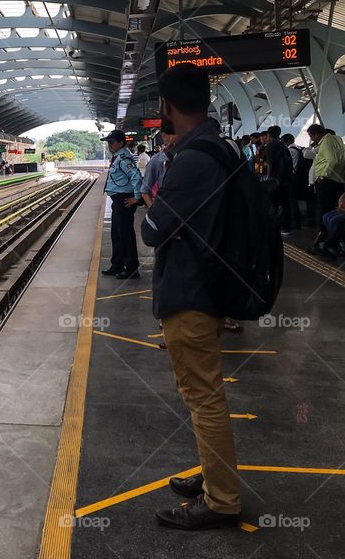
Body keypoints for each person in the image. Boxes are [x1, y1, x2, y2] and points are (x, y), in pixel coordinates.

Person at [141, 64, 241, 530]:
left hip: (191, 292)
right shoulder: (216, 146)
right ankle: (213, 475)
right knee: (203, 394)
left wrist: (160, 214)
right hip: (209, 286)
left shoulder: (193, 159)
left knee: (203, 398)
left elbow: (151, 229)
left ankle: (221, 501)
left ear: (167, 106)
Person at [101, 128, 143, 280]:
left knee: (126, 235)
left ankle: (132, 269)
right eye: (108, 143)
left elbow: (136, 177)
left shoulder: (124, 159)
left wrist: (136, 198)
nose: (109, 145)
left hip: (124, 201)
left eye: (112, 142)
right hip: (118, 201)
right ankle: (117, 264)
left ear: (120, 143)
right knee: (117, 234)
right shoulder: (117, 157)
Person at [305, 124, 345, 253]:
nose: (311, 139)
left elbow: (333, 160)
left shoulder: (326, 142)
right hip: (337, 181)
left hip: (327, 182)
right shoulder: (337, 139)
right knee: (329, 211)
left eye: (311, 136)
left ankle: (324, 243)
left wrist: (322, 175)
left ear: (317, 134)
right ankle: (331, 241)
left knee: (323, 211)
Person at [262, 126, 294, 233]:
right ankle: (286, 227)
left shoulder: (269, 146)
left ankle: (274, 225)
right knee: (285, 202)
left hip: (275, 179)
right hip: (285, 178)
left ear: (268, 135)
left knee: (273, 203)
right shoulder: (283, 145)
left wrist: (268, 177)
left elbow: (270, 164)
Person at [140, 134, 176, 208]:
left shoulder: (189, 155)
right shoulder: (157, 160)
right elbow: (145, 191)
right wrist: (154, 212)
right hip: (166, 207)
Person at [282, 133, 304, 230]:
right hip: (297, 176)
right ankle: (296, 222)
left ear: (288, 141)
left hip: (291, 177)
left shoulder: (290, 150)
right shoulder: (298, 148)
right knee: (293, 200)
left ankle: (295, 222)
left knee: (291, 201)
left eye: (283, 142)